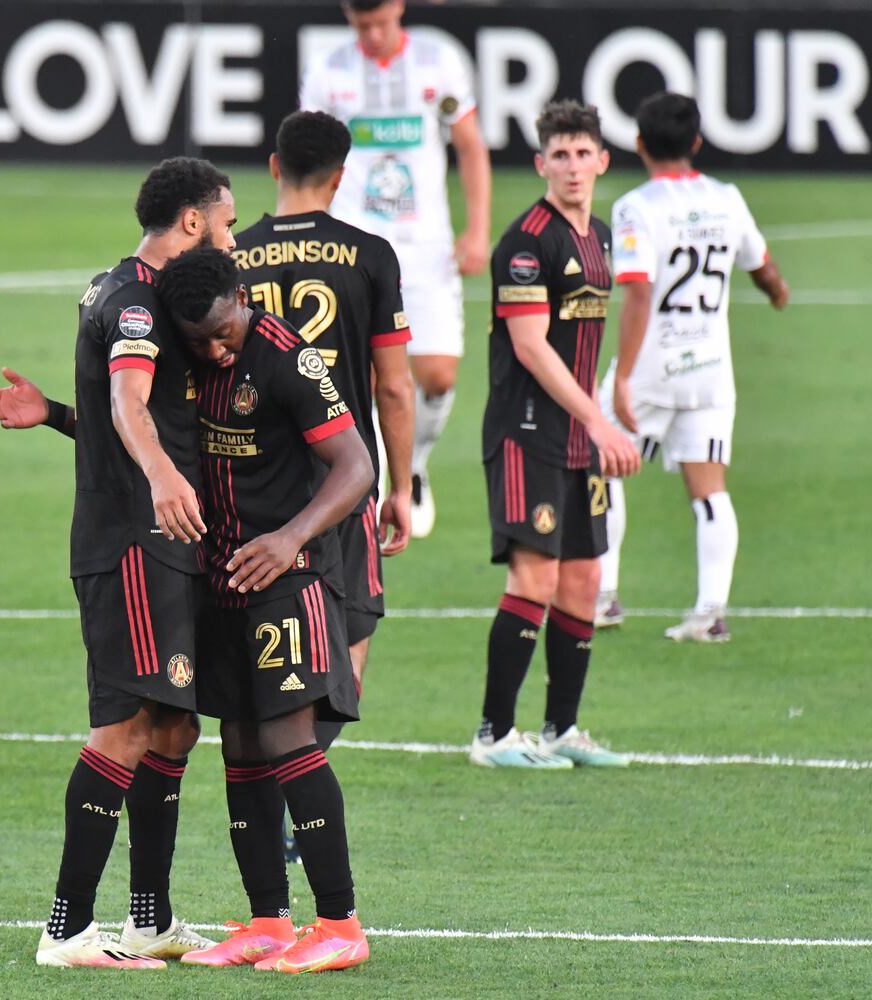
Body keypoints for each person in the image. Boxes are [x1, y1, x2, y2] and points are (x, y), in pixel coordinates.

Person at [0, 158, 236, 969]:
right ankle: (64, 929)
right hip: (134, 541)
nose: (231, 236)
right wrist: (165, 475)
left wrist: (54, 414)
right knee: (124, 729)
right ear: (191, 223)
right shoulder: (132, 300)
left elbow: (111, 411)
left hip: (160, 539)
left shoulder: (123, 288)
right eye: (226, 221)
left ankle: (149, 919)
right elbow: (130, 404)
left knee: (172, 727)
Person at [151, 246, 374, 974]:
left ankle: (340, 923)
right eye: (200, 341)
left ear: (242, 298)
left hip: (291, 574)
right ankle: (268, 923)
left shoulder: (289, 358)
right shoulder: (189, 360)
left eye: (224, 332)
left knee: (286, 736)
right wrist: (54, 414)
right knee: (241, 744)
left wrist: (289, 538)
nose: (215, 350)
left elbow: (355, 467)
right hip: (224, 580)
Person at [233, 109, 415, 863]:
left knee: (255, 637)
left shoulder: (231, 255)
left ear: (273, 167)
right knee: (350, 634)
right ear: (341, 177)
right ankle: (297, 786)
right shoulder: (369, 254)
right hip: (339, 479)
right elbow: (394, 386)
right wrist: (400, 486)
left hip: (247, 479)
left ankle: (269, 789)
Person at [469, 100, 640, 769]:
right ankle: (491, 735)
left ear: (602, 160)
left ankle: (561, 730)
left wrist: (595, 419)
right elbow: (532, 346)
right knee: (534, 578)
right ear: (540, 164)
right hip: (526, 432)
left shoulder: (596, 235)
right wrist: (600, 419)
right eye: (558, 155)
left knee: (582, 580)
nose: (571, 166)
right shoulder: (524, 242)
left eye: (582, 153)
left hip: (575, 436)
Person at [594, 92, 790, 641]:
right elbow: (764, 266)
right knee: (708, 488)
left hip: (654, 361)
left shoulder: (637, 206)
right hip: (710, 366)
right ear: (697, 142)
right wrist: (777, 292)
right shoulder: (726, 198)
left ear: (638, 144)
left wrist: (626, 375)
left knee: (599, 465)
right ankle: (710, 611)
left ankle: (604, 596)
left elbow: (637, 293)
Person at [300, 0, 492, 537]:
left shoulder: (439, 59)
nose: (375, 33)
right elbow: (307, 157)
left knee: (436, 374)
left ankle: (414, 463)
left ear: (400, 8)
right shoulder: (329, 70)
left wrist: (476, 229)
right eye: (363, 25)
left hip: (425, 242)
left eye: (382, 21)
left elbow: (470, 145)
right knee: (361, 373)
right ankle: (374, 479)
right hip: (353, 245)